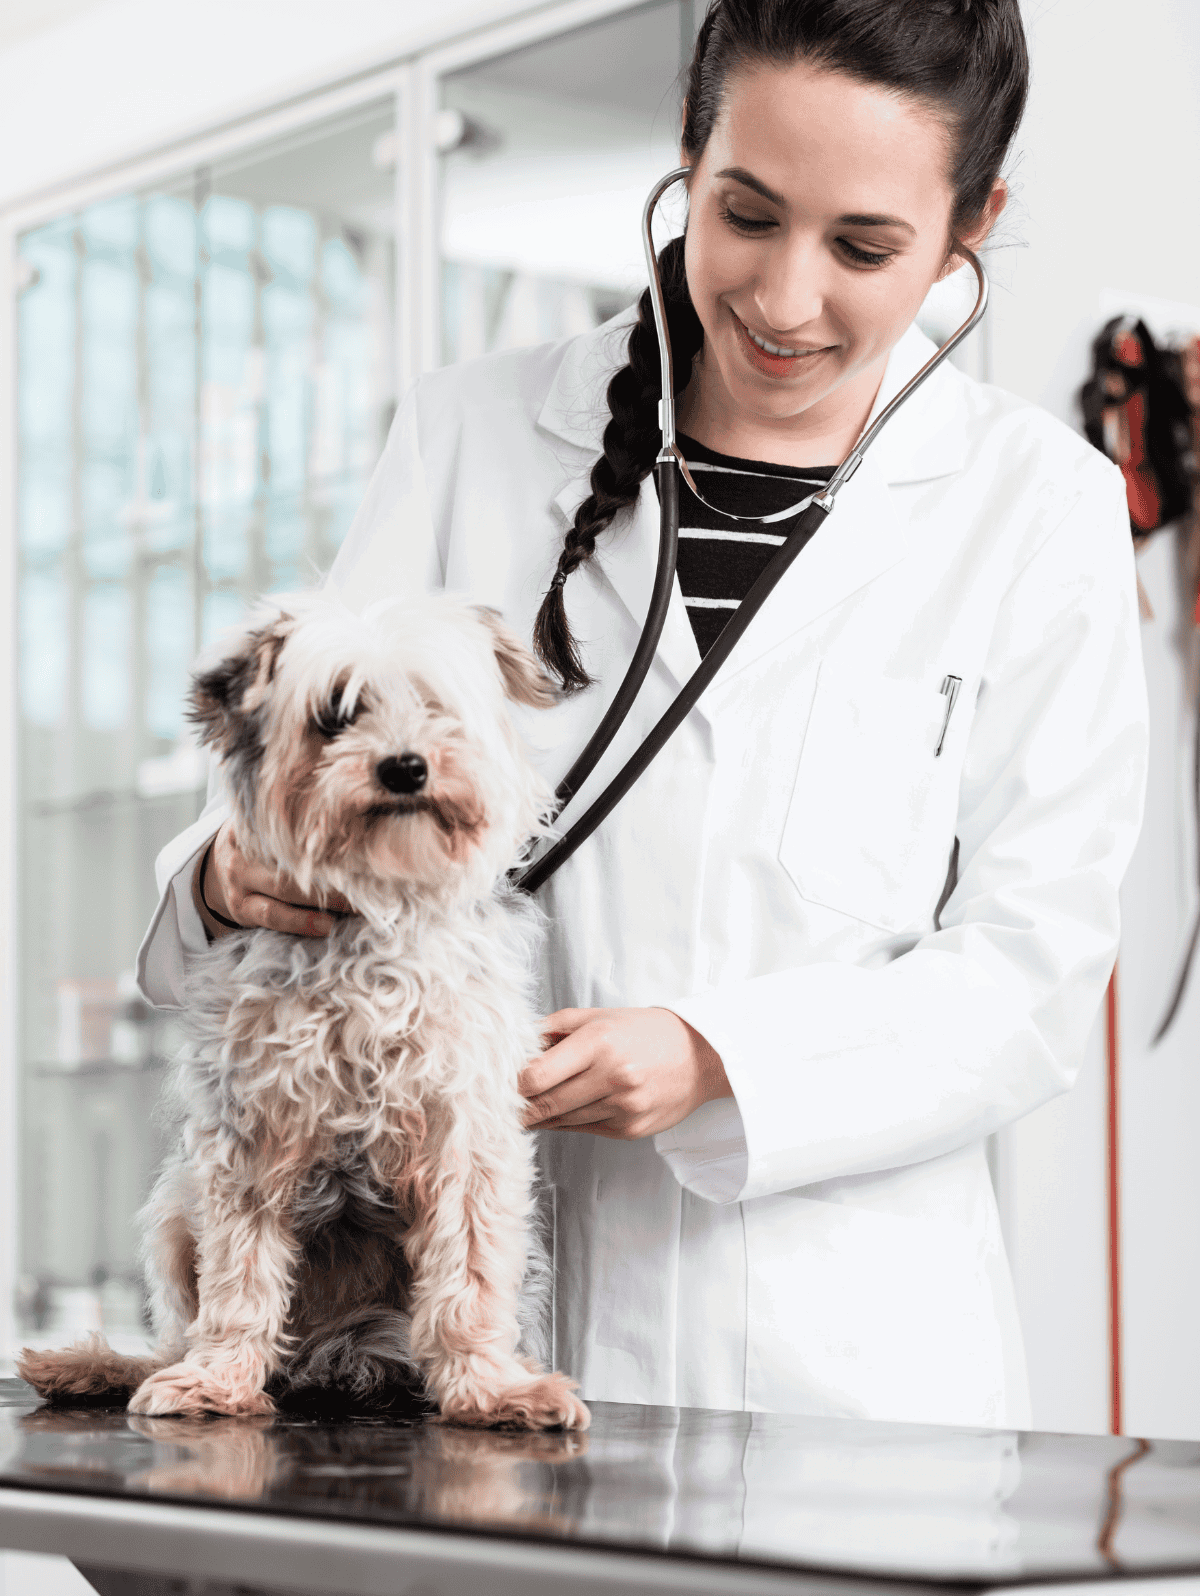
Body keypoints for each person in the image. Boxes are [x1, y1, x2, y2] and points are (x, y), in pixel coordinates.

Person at [138, 0, 1148, 1428]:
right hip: (461, 1358)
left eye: (864, 248)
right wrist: (230, 878)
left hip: (851, 1376)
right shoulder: (471, 429)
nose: (788, 300)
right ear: (687, 147)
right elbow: (290, 776)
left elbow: (1038, 971)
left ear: (969, 225)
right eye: (745, 214)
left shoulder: (1038, 512)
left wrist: (721, 1058)